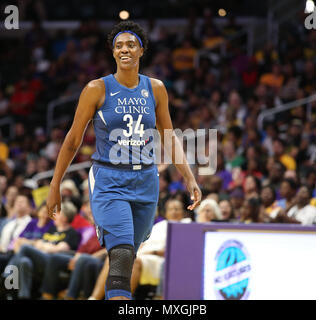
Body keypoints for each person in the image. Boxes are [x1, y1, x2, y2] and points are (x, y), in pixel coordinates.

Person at [46, 21, 202, 301]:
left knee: (129, 253)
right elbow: (72, 140)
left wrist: (189, 177)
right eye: (118, 46)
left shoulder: (156, 89)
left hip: (146, 181)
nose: (124, 50)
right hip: (109, 180)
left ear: (142, 50)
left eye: (131, 44)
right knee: (120, 254)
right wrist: (55, 184)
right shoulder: (96, 88)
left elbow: (169, 136)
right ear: (113, 52)